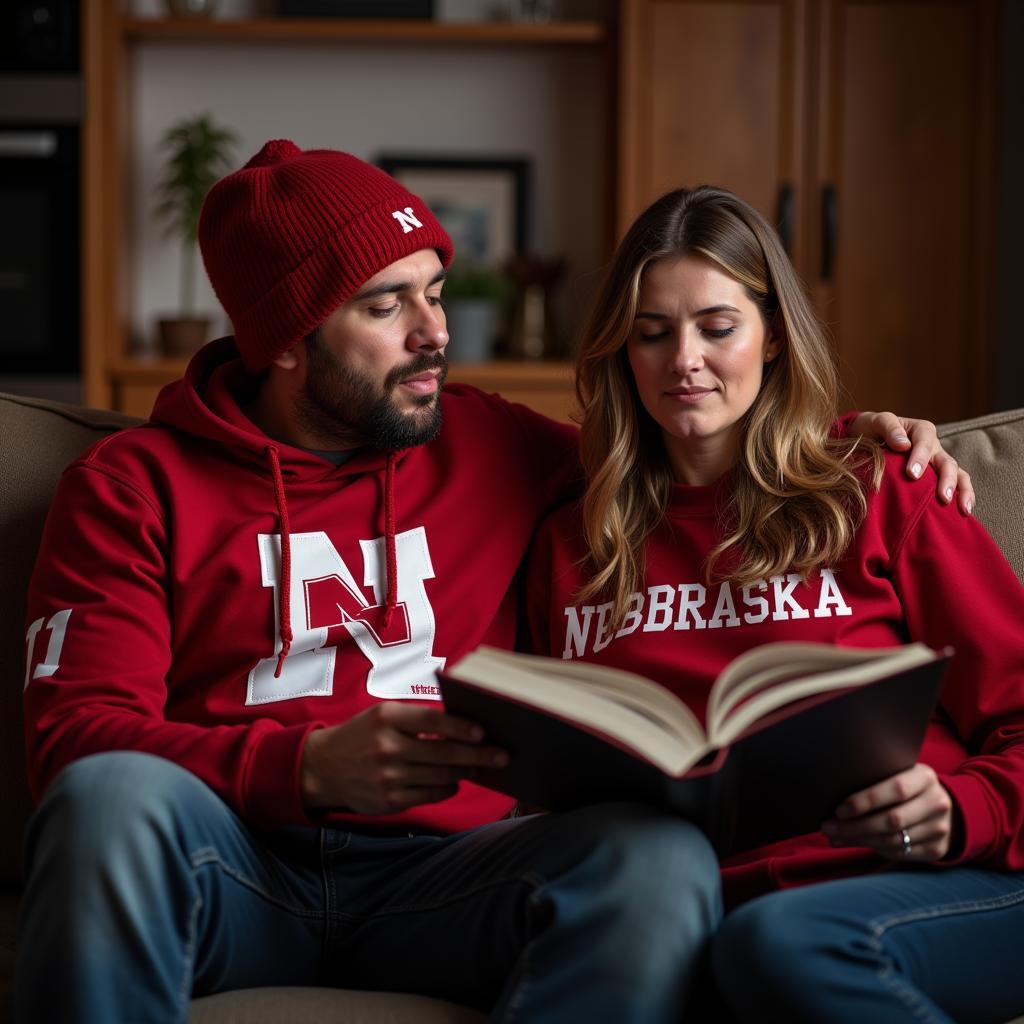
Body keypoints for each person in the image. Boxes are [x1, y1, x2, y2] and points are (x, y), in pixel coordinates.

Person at [16, 142, 966, 1023]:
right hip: (234, 860)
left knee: (654, 859)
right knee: (110, 799)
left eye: (435, 290)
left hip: (455, 877)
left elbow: (689, 445)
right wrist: (302, 769)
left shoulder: (493, 441)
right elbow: (73, 742)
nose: (435, 332)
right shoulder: (128, 486)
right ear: (286, 339)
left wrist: (846, 439)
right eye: (386, 306)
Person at [524, 184, 1024, 1023]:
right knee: (742, 950)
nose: (684, 358)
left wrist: (960, 809)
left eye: (718, 328)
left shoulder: (885, 491)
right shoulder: (571, 545)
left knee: (782, 945)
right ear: (622, 353)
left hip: (935, 878)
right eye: (652, 333)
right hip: (701, 912)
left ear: (774, 338)